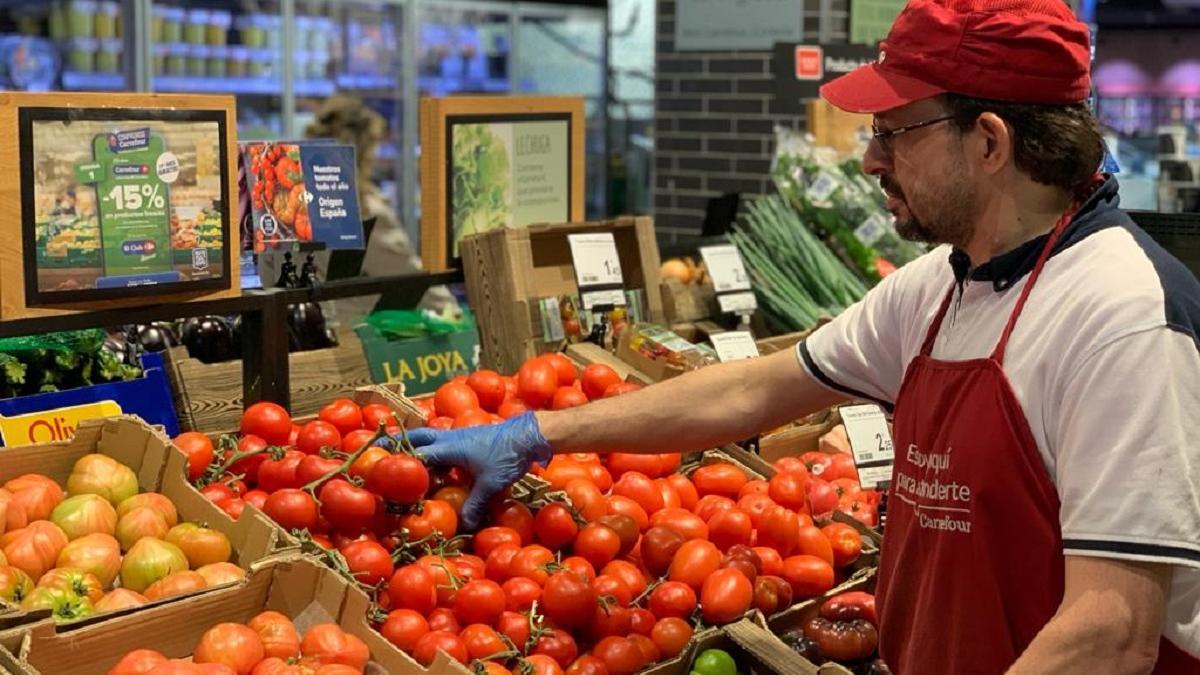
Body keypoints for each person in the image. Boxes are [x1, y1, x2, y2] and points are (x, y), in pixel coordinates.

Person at [405, 1, 1200, 673]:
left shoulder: (1123, 315)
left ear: (990, 142)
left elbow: (1112, 631)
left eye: (895, 131)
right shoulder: (936, 287)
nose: (870, 159)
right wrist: (539, 431)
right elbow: (753, 388)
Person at [304, 95, 455, 313]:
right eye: (374, 145)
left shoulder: (292, 203)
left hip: (303, 332)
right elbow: (410, 278)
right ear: (361, 151)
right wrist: (455, 316)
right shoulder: (364, 210)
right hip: (357, 335)